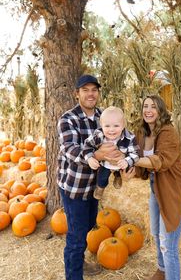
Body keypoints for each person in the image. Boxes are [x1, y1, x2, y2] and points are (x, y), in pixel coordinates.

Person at [57, 74, 123, 280]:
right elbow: (69, 148)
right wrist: (97, 154)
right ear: (77, 94)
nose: (90, 94)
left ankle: (79, 261)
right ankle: (73, 274)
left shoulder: (104, 117)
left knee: (86, 227)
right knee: (76, 239)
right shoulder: (68, 119)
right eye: (85, 90)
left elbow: (117, 141)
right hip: (74, 187)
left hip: (94, 188)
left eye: (94, 90)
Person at [133, 95, 181, 280]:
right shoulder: (143, 133)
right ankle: (162, 271)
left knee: (169, 245)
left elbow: (161, 161)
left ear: (160, 111)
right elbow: (140, 166)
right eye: (145, 106)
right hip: (156, 188)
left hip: (174, 190)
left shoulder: (168, 132)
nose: (148, 110)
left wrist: (133, 160)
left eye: (153, 106)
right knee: (155, 234)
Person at [82, 106, 140, 200]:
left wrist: (127, 161)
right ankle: (100, 188)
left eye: (116, 126)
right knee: (102, 178)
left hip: (121, 164)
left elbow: (136, 153)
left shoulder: (129, 137)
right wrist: (89, 158)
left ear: (123, 125)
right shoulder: (98, 135)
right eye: (107, 126)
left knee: (119, 171)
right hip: (105, 164)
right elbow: (87, 146)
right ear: (101, 125)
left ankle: (118, 177)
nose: (111, 130)